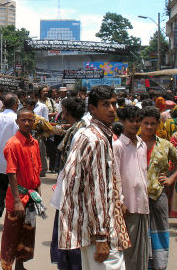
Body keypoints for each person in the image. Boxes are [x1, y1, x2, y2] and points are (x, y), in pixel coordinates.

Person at [59, 85, 130, 270]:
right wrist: (101, 237)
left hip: (91, 227)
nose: (112, 109)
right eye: (105, 105)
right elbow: (97, 190)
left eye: (113, 104)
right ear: (92, 109)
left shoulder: (90, 134)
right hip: (101, 231)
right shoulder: (96, 139)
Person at [140, 106, 177, 270]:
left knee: (159, 234)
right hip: (137, 200)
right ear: (140, 123)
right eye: (146, 123)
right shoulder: (133, 144)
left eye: (153, 123)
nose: (149, 127)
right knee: (140, 236)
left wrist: (171, 178)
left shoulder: (165, 145)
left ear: (158, 124)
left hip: (158, 197)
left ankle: (159, 266)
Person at [0, 108, 43, 270]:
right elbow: (11, 173)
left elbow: (37, 169)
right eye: (23, 120)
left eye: (30, 120)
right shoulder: (13, 144)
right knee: (12, 235)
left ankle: (20, 264)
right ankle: (7, 266)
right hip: (17, 198)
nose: (26, 123)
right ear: (17, 122)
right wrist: (17, 201)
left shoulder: (35, 143)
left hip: (31, 197)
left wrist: (38, 195)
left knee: (27, 233)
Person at [50, 96, 86, 270]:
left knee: (69, 233)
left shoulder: (78, 132)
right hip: (68, 185)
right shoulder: (77, 128)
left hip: (72, 190)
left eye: (63, 110)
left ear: (68, 112)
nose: (61, 113)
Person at [113, 105, 149, 270]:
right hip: (128, 205)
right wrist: (120, 201)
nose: (135, 125)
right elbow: (116, 176)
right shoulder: (118, 146)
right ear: (122, 122)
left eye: (137, 121)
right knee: (128, 249)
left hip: (143, 203)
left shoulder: (142, 144)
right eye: (131, 121)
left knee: (141, 249)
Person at [0, 93, 19, 226]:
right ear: (14, 104)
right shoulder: (16, 118)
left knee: (1, 185)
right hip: (13, 157)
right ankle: (12, 214)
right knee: (15, 187)